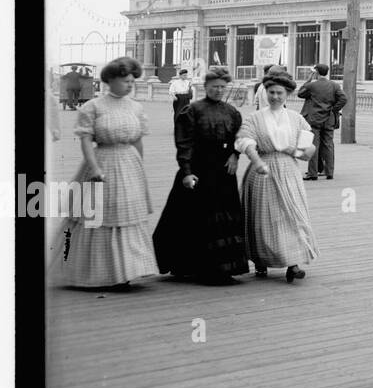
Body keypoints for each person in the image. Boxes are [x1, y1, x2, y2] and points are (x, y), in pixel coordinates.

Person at [59, 56, 159, 290]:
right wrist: (94, 167)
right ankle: (100, 272)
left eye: (132, 81)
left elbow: (137, 141)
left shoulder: (136, 107)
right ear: (111, 80)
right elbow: (85, 140)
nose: (130, 85)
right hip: (102, 162)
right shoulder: (93, 106)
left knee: (127, 215)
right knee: (101, 216)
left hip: (129, 164)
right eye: (125, 81)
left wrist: (140, 168)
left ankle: (128, 271)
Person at [153, 66, 247, 285]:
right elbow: (183, 143)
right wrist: (186, 172)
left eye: (222, 87)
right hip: (198, 169)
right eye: (214, 87)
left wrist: (235, 155)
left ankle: (223, 268)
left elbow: (239, 138)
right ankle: (191, 267)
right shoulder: (192, 110)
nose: (218, 91)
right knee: (194, 217)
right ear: (205, 87)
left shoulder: (232, 112)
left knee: (223, 217)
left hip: (224, 171)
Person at [239, 70, 319, 283]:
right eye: (271, 92)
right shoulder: (254, 118)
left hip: (288, 170)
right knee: (263, 217)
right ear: (265, 92)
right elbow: (245, 142)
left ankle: (293, 264)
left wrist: (295, 149)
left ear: (288, 94)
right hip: (262, 171)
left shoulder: (297, 119)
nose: (275, 96)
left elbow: (307, 152)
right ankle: (260, 262)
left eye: (279, 93)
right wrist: (257, 162)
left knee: (291, 215)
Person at [297, 63, 346, 179]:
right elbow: (343, 99)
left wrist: (308, 80)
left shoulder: (312, 86)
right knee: (329, 145)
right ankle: (329, 172)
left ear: (317, 72)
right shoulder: (334, 85)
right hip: (329, 118)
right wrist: (334, 109)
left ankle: (313, 173)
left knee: (314, 145)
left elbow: (300, 93)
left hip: (314, 118)